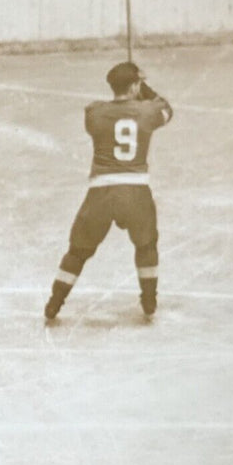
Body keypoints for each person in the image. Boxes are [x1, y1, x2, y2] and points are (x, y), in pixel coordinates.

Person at [44, 61, 173, 320]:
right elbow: (167, 109)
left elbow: (101, 118)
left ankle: (55, 302)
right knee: (146, 245)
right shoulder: (148, 113)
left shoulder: (94, 113)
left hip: (101, 193)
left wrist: (132, 90)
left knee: (78, 251)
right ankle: (149, 301)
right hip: (136, 193)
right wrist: (144, 91)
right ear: (135, 85)